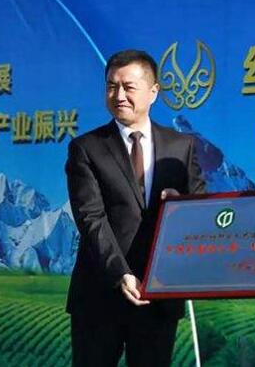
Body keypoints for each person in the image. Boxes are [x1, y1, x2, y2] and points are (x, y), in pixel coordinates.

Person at [65, 49, 205, 367]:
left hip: (159, 295)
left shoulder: (181, 147)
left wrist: (180, 205)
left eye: (128, 87)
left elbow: (199, 209)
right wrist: (121, 274)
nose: (118, 96)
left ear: (153, 92)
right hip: (100, 294)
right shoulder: (86, 148)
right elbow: (90, 218)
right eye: (111, 86)